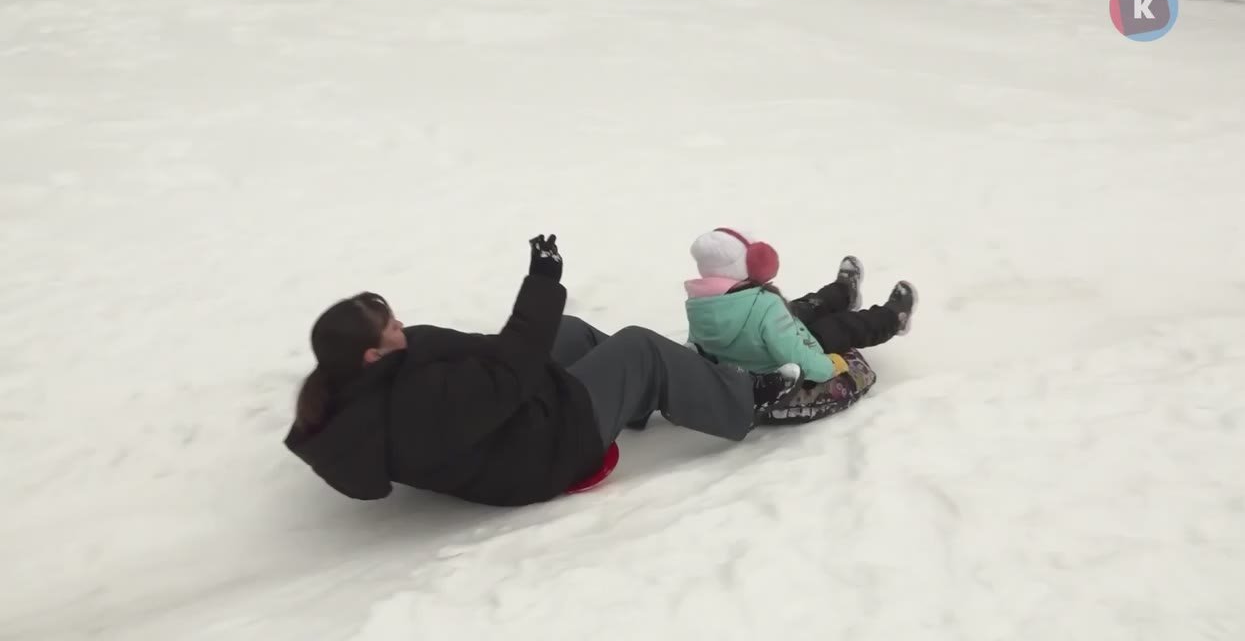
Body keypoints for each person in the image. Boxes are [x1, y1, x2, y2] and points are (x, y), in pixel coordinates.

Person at [283, 233, 809, 508]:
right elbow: (507, 374)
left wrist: (536, 312)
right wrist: (541, 283)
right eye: (389, 327)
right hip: (537, 455)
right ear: (371, 357)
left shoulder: (366, 376)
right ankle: (745, 398)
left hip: (505, 429)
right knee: (639, 349)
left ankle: (656, 390)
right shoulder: (412, 403)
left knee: (567, 331)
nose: (400, 324)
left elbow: (496, 354)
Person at [679, 227, 917, 422]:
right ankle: (893, 318)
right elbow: (797, 357)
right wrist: (830, 366)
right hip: (783, 364)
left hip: (752, 353)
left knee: (805, 306)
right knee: (842, 326)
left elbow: (700, 347)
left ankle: (844, 292)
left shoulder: (699, 304)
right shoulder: (765, 305)